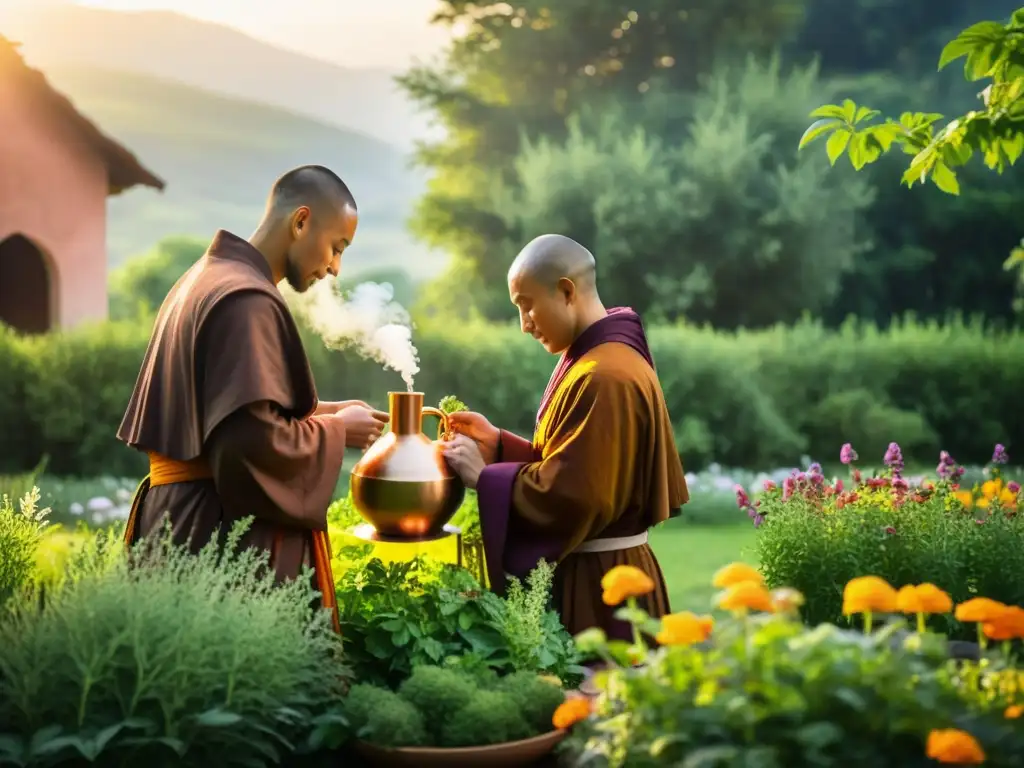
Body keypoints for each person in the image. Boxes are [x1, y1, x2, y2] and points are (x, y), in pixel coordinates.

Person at [117, 165, 388, 633]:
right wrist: (338, 431)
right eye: (336, 247)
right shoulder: (247, 300)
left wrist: (326, 413)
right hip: (214, 536)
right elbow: (249, 445)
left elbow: (230, 413)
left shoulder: (202, 279)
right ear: (301, 221)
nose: (335, 267)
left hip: (175, 523)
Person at [442, 234, 688, 642]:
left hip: (605, 590)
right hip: (599, 573)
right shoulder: (596, 357)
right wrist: (500, 446)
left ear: (566, 291)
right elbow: (582, 461)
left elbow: (575, 496)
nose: (524, 325)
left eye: (526, 305)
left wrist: (485, 478)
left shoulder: (605, 375)